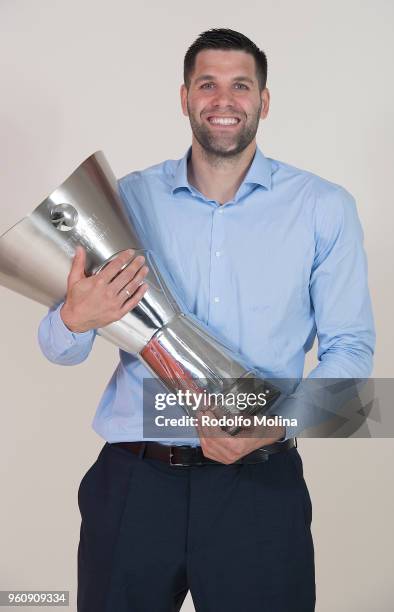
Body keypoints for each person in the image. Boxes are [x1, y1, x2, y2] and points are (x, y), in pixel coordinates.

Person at [38, 28, 375, 612]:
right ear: (185, 97)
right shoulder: (128, 199)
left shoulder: (323, 208)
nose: (224, 100)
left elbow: (352, 359)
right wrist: (75, 317)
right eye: (207, 85)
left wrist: (268, 425)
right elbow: (58, 346)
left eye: (240, 85)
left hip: (259, 486)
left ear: (263, 101)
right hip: (134, 483)